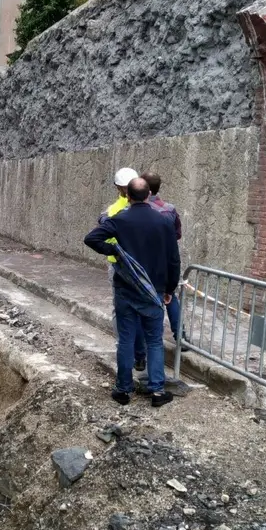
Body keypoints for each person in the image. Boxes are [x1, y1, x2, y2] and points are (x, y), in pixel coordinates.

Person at [84, 177, 180, 408]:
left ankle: (123, 390)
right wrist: (170, 288)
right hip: (154, 290)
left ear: (127, 196)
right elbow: (173, 260)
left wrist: (115, 251)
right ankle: (157, 391)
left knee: (126, 340)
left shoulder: (120, 219)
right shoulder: (164, 221)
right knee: (154, 341)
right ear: (149, 195)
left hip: (125, 289)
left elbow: (91, 238)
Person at [100, 168, 145, 371]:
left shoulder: (112, 211)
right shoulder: (148, 208)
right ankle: (140, 354)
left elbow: (98, 237)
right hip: (142, 265)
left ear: (118, 188)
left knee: (120, 310)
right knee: (141, 309)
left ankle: (124, 350)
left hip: (119, 265)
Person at [142, 172, 188, 352]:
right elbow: (177, 234)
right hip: (166, 260)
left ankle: (147, 340)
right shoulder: (169, 209)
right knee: (170, 295)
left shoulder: (141, 209)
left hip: (145, 260)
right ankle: (180, 336)